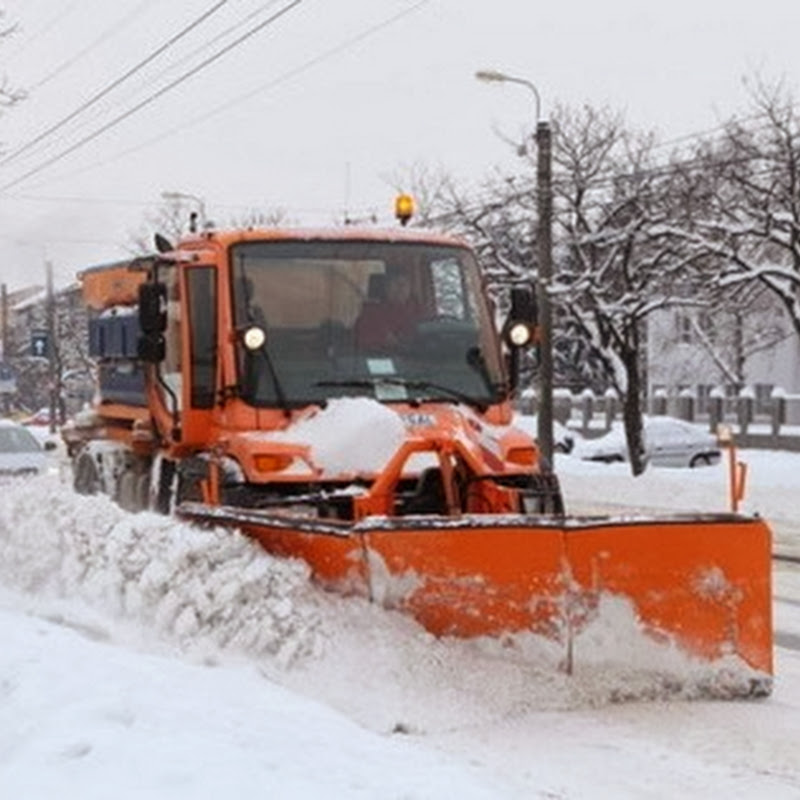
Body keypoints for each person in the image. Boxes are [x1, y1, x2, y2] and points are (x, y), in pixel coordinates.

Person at [355, 271, 422, 350]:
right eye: (395, 284)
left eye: (404, 284)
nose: (401, 288)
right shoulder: (371, 314)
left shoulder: (418, 309)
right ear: (386, 287)